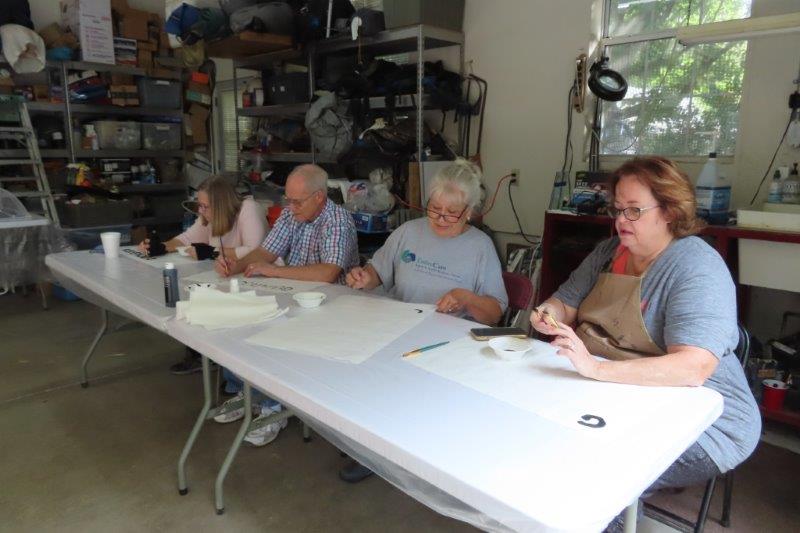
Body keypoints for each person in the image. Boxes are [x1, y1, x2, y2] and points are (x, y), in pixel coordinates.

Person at [529, 156, 760, 531]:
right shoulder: (607, 253)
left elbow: (693, 367)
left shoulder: (696, 267)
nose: (621, 220)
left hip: (707, 419)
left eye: (634, 210)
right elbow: (565, 303)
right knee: (539, 433)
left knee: (593, 473)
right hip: (618, 394)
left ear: (669, 211)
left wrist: (595, 368)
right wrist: (547, 312)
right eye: (617, 209)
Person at [341, 158, 508, 482]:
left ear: (470, 212)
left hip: (448, 346)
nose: (440, 219)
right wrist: (364, 277)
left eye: (451, 213)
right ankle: (372, 450)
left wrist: (466, 297)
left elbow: (494, 312)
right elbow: (377, 273)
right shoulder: (407, 232)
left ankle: (423, 456)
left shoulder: (480, 247)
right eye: (434, 209)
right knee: (364, 369)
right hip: (397, 332)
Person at [213, 164, 359, 447]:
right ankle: (252, 393)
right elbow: (266, 251)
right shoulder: (293, 213)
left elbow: (328, 273)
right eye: (288, 200)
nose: (290, 207)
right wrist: (235, 266)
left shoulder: (337, 220)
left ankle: (273, 407)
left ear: (319, 197)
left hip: (331, 305)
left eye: (297, 201)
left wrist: (274, 271)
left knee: (272, 337)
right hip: (295, 295)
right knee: (243, 325)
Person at [138, 175, 268, 375]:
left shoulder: (248, 210)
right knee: (194, 295)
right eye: (200, 205)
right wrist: (162, 246)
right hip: (228, 275)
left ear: (221, 205)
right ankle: (202, 354)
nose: (201, 211)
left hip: (257, 277)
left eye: (205, 206)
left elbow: (256, 250)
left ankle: (229, 363)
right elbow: (187, 238)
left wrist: (212, 252)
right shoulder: (208, 216)